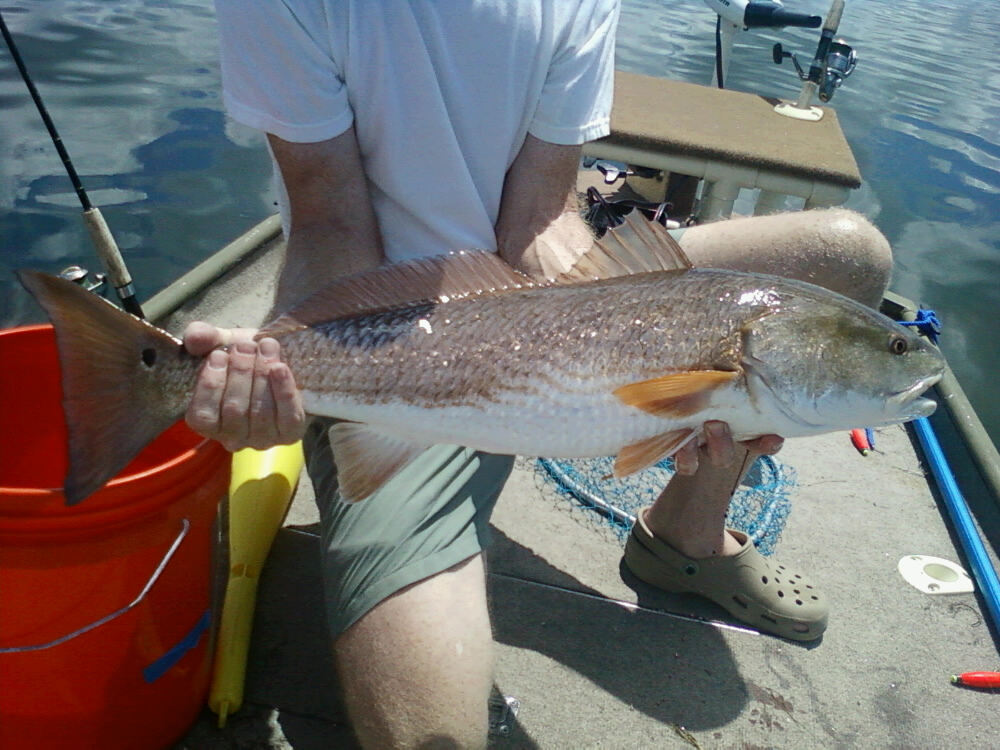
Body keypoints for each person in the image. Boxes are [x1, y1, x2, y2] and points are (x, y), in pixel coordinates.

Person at [187, 2, 892, 747]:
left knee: (846, 253)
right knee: (430, 737)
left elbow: (540, 215)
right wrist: (285, 361)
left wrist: (598, 335)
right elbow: (330, 219)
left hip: (542, 296)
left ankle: (683, 534)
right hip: (399, 338)